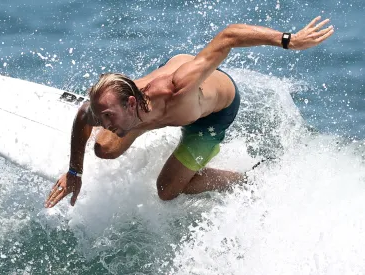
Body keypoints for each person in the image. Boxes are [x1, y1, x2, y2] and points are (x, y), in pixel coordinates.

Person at [45, 16, 334, 208]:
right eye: (103, 117)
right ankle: (142, 126)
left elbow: (229, 36)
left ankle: (244, 179)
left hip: (209, 113)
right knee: (104, 149)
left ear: (130, 103)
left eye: (107, 116)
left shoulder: (176, 88)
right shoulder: (122, 108)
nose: (103, 122)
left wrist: (289, 40)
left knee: (166, 191)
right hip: (148, 109)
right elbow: (84, 114)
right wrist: (74, 172)